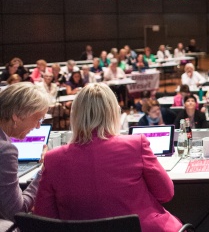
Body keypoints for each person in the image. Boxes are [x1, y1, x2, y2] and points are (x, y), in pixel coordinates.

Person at [33, 83, 182, 231]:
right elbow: (166, 193)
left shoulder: (53, 159)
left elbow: (44, 216)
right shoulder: (136, 144)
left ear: (76, 115)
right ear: (113, 112)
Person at [0, 83, 50, 230]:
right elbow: (17, 213)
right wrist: (44, 170)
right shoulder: (5, 150)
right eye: (38, 119)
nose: (38, 127)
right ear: (17, 116)